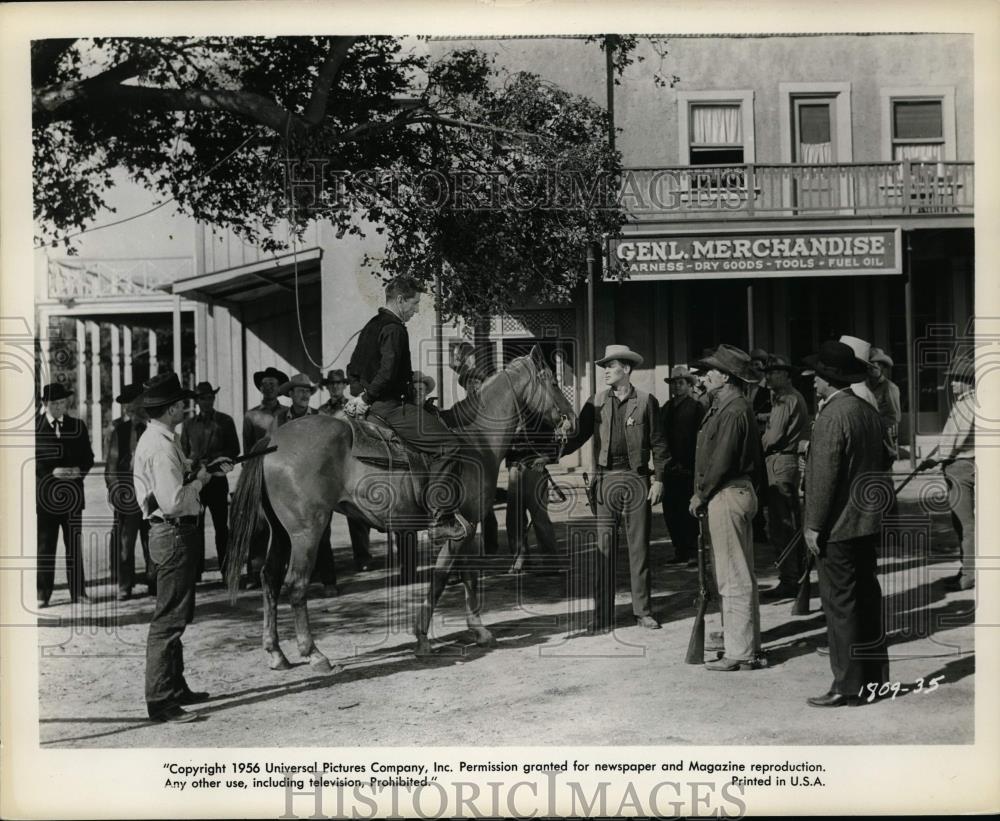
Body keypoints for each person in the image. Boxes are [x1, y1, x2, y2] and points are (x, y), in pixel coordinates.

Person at [133, 373, 233, 723]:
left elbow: (176, 481)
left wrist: (201, 469)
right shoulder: (160, 446)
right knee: (169, 620)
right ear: (172, 408)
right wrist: (203, 480)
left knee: (178, 614)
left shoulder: (162, 439)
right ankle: (161, 701)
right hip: (173, 531)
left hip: (175, 535)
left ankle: (175, 687)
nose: (185, 407)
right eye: (181, 403)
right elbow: (174, 502)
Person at [345, 276, 472, 543]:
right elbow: (388, 372)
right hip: (389, 408)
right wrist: (368, 398)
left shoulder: (370, 326)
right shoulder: (395, 328)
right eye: (414, 304)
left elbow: (353, 369)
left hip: (370, 406)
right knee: (450, 445)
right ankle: (441, 518)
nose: (415, 310)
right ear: (400, 299)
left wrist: (359, 398)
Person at [801, 340, 890, 707]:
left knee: (840, 606)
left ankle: (847, 686)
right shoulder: (866, 410)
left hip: (837, 527)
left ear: (828, 380)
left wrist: (812, 526)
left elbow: (823, 478)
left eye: (817, 378)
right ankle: (874, 682)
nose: (813, 384)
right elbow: (882, 462)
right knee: (867, 601)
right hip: (866, 523)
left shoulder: (832, 416)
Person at [563, 344, 666, 632]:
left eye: (611, 366)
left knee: (639, 549)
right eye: (604, 367)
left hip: (636, 479)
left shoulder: (646, 401)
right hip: (605, 480)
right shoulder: (595, 401)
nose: (606, 371)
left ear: (627, 370)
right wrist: (550, 451)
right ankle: (603, 616)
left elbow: (659, 443)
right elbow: (578, 436)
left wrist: (659, 478)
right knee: (604, 549)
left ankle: (643, 611)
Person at [689, 344, 766, 671]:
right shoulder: (731, 405)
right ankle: (747, 645)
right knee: (740, 572)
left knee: (732, 576)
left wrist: (701, 495)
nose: (706, 376)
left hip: (726, 491)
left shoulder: (732, 409)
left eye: (711, 371)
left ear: (726, 376)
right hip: (737, 491)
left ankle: (740, 652)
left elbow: (721, 460)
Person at [36, 382, 95, 607]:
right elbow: (32, 462)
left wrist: (78, 471)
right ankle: (42, 594)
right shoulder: (35, 427)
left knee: (74, 546)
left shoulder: (77, 426)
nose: (60, 407)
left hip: (72, 498)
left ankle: (79, 593)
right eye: (54, 403)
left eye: (62, 402)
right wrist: (52, 472)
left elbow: (88, 457)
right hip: (46, 500)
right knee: (45, 546)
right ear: (45, 404)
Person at [759, 354, 810, 600]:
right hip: (785, 461)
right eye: (767, 372)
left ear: (786, 375)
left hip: (779, 461)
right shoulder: (788, 397)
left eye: (774, 372)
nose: (768, 376)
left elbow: (773, 437)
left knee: (782, 525)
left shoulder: (785, 399)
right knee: (785, 521)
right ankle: (795, 575)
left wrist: (756, 443)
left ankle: (791, 579)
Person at [925, 354, 975, 591]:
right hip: (959, 465)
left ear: (969, 381)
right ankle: (965, 570)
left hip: (961, 466)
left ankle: (968, 574)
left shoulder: (969, 404)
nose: (952, 384)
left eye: (957, 379)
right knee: (961, 523)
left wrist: (936, 458)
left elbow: (956, 440)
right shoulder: (966, 402)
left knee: (965, 524)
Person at [180, 381, 240, 580]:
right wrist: (192, 465)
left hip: (217, 480)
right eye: (203, 398)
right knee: (194, 527)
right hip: (196, 482)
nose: (207, 401)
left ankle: (226, 569)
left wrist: (218, 461)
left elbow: (234, 450)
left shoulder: (225, 421)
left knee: (221, 526)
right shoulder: (188, 425)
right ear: (196, 401)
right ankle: (196, 571)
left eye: (210, 398)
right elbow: (183, 454)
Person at [104, 383, 153, 600]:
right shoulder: (119, 431)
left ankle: (154, 582)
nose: (129, 407)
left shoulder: (154, 429)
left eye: (134, 402)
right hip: (128, 495)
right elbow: (111, 465)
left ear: (143, 402)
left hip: (152, 493)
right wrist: (115, 491)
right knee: (126, 542)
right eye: (126, 404)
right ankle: (125, 585)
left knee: (151, 539)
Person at [388, 370, 438, 584]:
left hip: (431, 465)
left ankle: (446, 569)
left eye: (421, 389)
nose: (418, 392)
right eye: (415, 389)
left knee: (440, 512)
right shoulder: (402, 413)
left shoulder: (432, 412)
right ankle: (408, 570)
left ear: (426, 392)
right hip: (406, 467)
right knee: (404, 521)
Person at [659, 365, 705, 565]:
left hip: (688, 468)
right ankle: (679, 550)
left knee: (689, 512)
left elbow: (699, 439)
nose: (677, 387)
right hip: (669, 468)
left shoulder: (696, 408)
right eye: (674, 383)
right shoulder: (666, 408)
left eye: (681, 383)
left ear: (688, 385)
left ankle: (694, 551)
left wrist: (690, 464)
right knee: (671, 511)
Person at [867, 347, 902, 461]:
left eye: (877, 364)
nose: (873, 367)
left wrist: (877, 426)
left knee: (883, 472)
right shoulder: (863, 387)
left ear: (882, 367)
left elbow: (894, 416)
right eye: (870, 364)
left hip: (882, 436)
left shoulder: (890, 388)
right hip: (864, 435)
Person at [243, 366, 289, 452]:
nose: (269, 388)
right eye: (265, 384)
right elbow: (247, 447)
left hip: (284, 461)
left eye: (272, 384)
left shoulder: (288, 412)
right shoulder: (251, 415)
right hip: (260, 462)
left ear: (279, 388)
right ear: (261, 388)